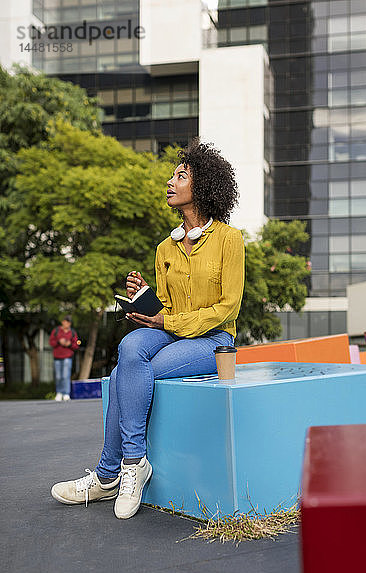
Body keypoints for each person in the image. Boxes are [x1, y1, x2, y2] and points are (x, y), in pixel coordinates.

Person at [51, 139, 245, 519]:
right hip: (171, 330)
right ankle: (134, 462)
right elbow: (168, 309)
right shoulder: (165, 249)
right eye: (173, 175)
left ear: (202, 186)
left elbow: (227, 308)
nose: (170, 181)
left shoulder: (229, 239)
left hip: (214, 340)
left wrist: (167, 321)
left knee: (129, 373)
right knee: (130, 347)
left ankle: (110, 473)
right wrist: (144, 301)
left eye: (181, 176)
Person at [49, 316, 80, 401]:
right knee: (58, 376)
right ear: (63, 322)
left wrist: (69, 344)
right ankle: (59, 393)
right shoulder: (56, 331)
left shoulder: (72, 332)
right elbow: (51, 342)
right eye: (66, 322)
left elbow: (76, 345)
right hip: (57, 357)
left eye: (69, 322)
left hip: (67, 356)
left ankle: (66, 393)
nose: (67, 324)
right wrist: (59, 342)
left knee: (66, 375)